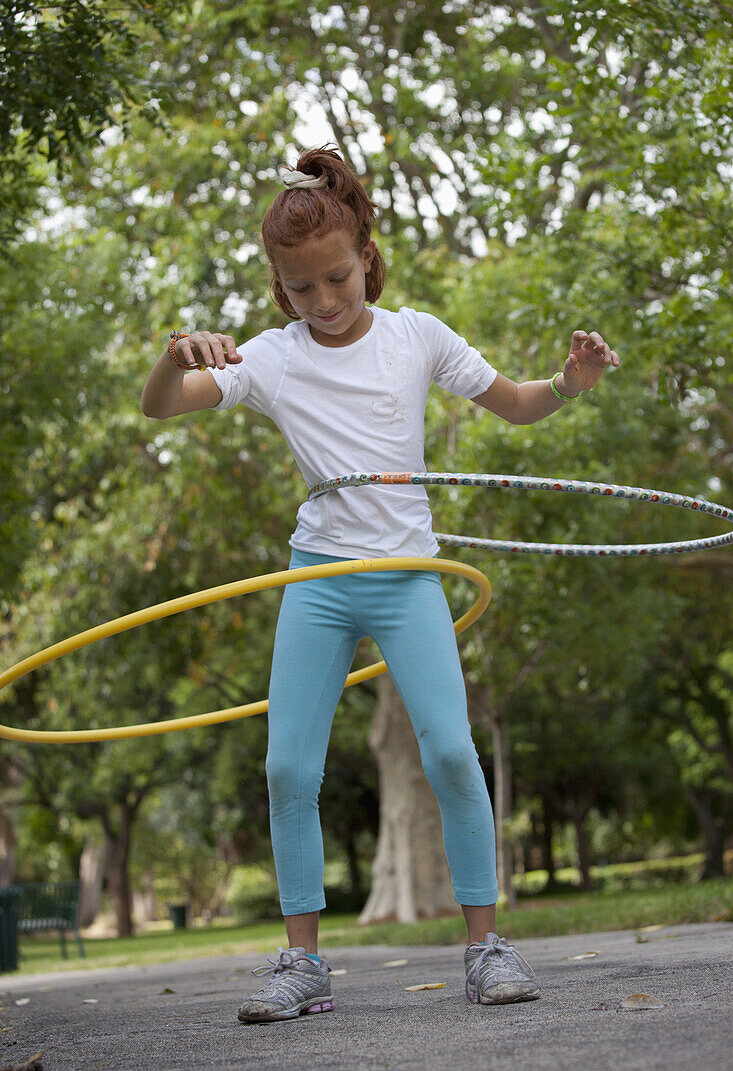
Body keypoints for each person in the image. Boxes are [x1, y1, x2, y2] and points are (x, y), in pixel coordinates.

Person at [141, 145, 619, 1024]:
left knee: (448, 751)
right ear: (279, 289)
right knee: (288, 765)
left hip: (406, 575)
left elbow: (514, 401)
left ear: (364, 253)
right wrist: (176, 354)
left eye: (335, 279)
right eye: (300, 290)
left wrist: (567, 383)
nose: (321, 303)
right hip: (320, 576)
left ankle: (485, 949)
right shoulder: (273, 358)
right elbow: (160, 407)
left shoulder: (416, 336)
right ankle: (301, 965)